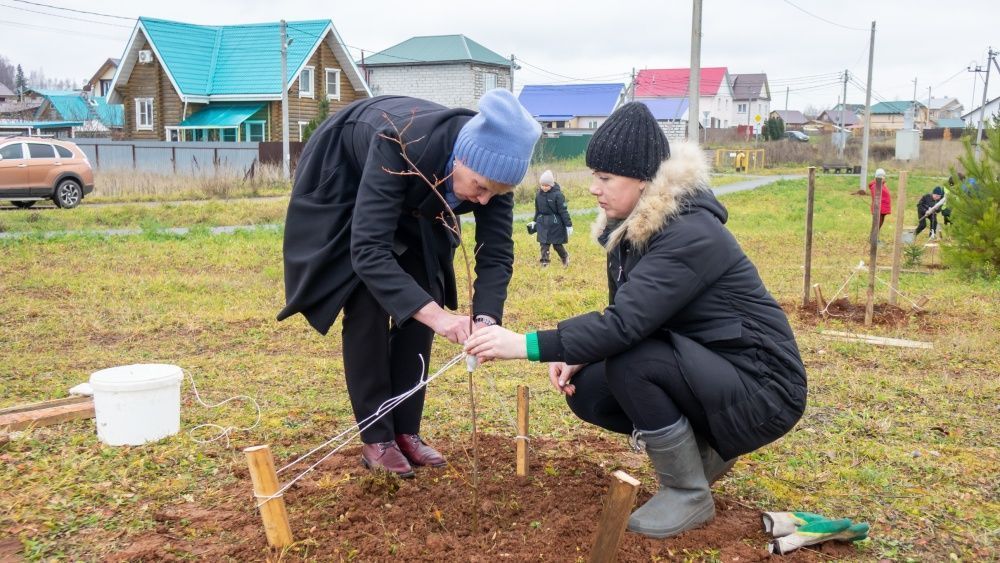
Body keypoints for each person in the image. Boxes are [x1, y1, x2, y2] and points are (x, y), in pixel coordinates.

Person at [465, 102, 807, 539]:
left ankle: (687, 491)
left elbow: (625, 325)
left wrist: (523, 344)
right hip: (710, 367)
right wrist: (580, 353)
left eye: (605, 178)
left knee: (632, 364)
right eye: (593, 176)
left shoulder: (690, 233)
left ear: (645, 180)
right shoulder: (632, 232)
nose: (593, 188)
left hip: (763, 386)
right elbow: (627, 319)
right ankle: (704, 454)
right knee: (588, 391)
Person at [278, 90, 541, 478]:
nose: (484, 202)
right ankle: (377, 438)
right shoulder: (399, 142)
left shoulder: (495, 173)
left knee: (427, 288)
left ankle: (405, 430)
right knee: (368, 299)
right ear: (463, 157)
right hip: (348, 180)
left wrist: (486, 319)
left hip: (421, 201)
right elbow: (368, 251)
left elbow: (496, 253)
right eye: (481, 188)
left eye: (496, 194)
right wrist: (441, 319)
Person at [530, 169, 573, 267]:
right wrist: (534, 221)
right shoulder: (538, 195)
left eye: (546, 185)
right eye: (542, 185)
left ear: (551, 185)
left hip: (555, 224)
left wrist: (568, 225)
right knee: (544, 244)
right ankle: (544, 262)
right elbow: (537, 210)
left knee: (557, 245)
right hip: (542, 223)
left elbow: (563, 211)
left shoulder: (558, 195)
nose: (544, 187)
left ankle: (565, 257)